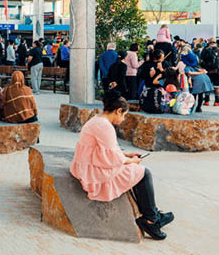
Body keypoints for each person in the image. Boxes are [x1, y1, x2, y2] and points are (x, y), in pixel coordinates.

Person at [70, 91, 173, 240]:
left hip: (87, 165)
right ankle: (151, 219)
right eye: (124, 115)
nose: (123, 119)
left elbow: (108, 151)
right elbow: (112, 158)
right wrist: (132, 161)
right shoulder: (105, 127)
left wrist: (126, 156)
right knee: (144, 173)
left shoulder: (97, 120)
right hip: (93, 172)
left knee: (138, 171)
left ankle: (154, 214)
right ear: (118, 111)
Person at [201, 38, 219, 107]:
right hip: (217, 70)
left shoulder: (205, 50)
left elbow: (201, 60)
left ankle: (206, 101)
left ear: (208, 43)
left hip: (207, 71)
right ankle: (216, 102)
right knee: (217, 87)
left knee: (207, 86)